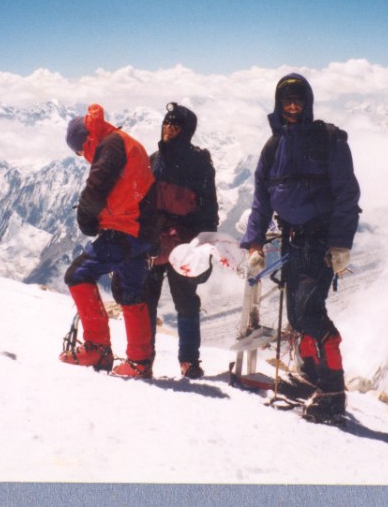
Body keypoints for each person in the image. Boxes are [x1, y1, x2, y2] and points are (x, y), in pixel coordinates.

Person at [239, 73, 361, 422]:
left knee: (309, 313)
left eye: (298, 100)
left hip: (321, 241)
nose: (292, 106)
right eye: (286, 101)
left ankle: (334, 391)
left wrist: (340, 245)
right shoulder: (273, 146)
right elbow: (262, 199)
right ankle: (313, 374)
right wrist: (255, 243)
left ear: (308, 103)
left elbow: (347, 196)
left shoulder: (329, 140)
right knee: (297, 315)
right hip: (292, 239)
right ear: (278, 106)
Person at [59, 103, 158, 378]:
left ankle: (97, 348)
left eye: (80, 152)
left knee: (77, 274)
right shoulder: (122, 141)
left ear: (85, 141)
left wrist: (86, 218)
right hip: (140, 232)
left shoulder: (109, 145)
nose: (82, 157)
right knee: (131, 291)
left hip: (123, 230)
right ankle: (139, 362)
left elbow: (96, 187)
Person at [141, 103, 219, 379]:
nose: (169, 130)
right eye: (166, 125)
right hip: (153, 239)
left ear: (186, 131)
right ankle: (143, 358)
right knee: (147, 298)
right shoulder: (153, 159)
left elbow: (209, 208)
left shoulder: (198, 164)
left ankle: (188, 360)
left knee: (185, 301)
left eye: (175, 126)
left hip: (184, 243)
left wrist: (205, 245)